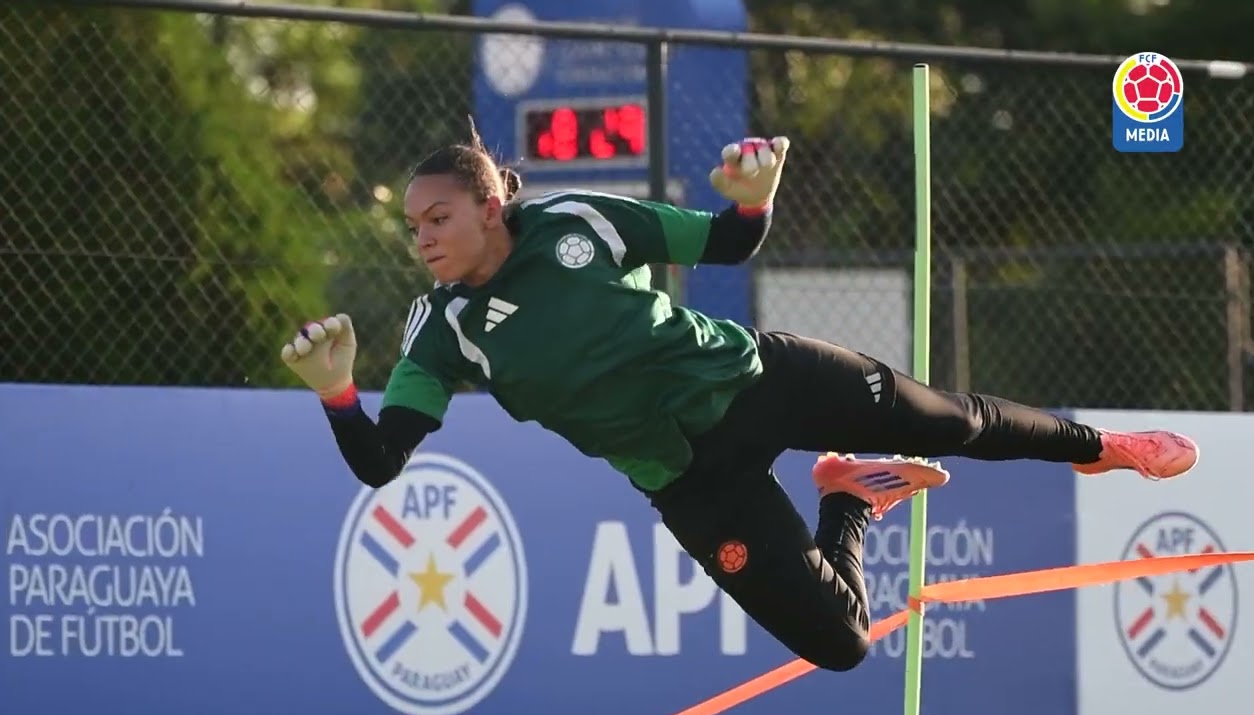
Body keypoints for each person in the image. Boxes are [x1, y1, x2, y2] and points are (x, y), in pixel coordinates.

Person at [280, 126, 1199, 673]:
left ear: (489, 204)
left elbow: (727, 242)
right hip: (691, 482)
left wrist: (754, 203)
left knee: (956, 420)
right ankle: (850, 493)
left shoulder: (577, 221)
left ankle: (1108, 448)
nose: (422, 238)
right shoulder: (439, 328)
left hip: (760, 382)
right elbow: (382, 461)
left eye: (437, 218)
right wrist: (335, 395)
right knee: (843, 645)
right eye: (411, 227)